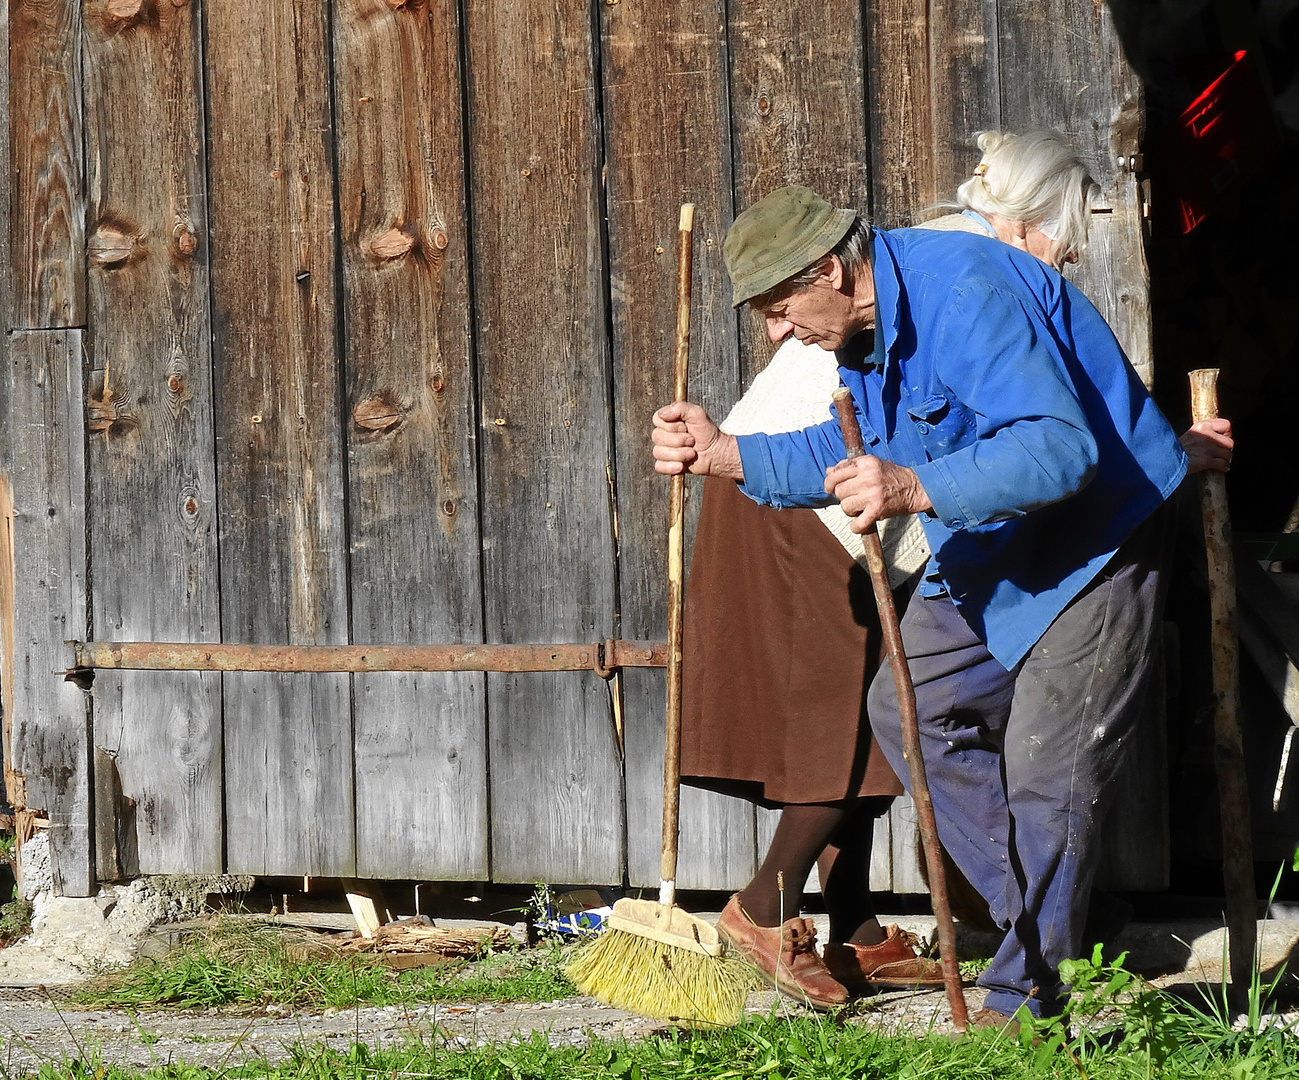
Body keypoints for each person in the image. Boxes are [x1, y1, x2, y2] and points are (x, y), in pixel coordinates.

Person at [653, 166, 1223, 1026]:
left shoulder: (964, 293)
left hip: (1095, 543)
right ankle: (1049, 932)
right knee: (909, 706)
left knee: (1046, 769)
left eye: (777, 307)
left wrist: (914, 486)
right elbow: (852, 446)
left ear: (828, 274)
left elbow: (1061, 450)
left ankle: (1021, 997)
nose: (775, 333)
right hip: (997, 537)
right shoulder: (869, 328)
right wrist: (727, 455)